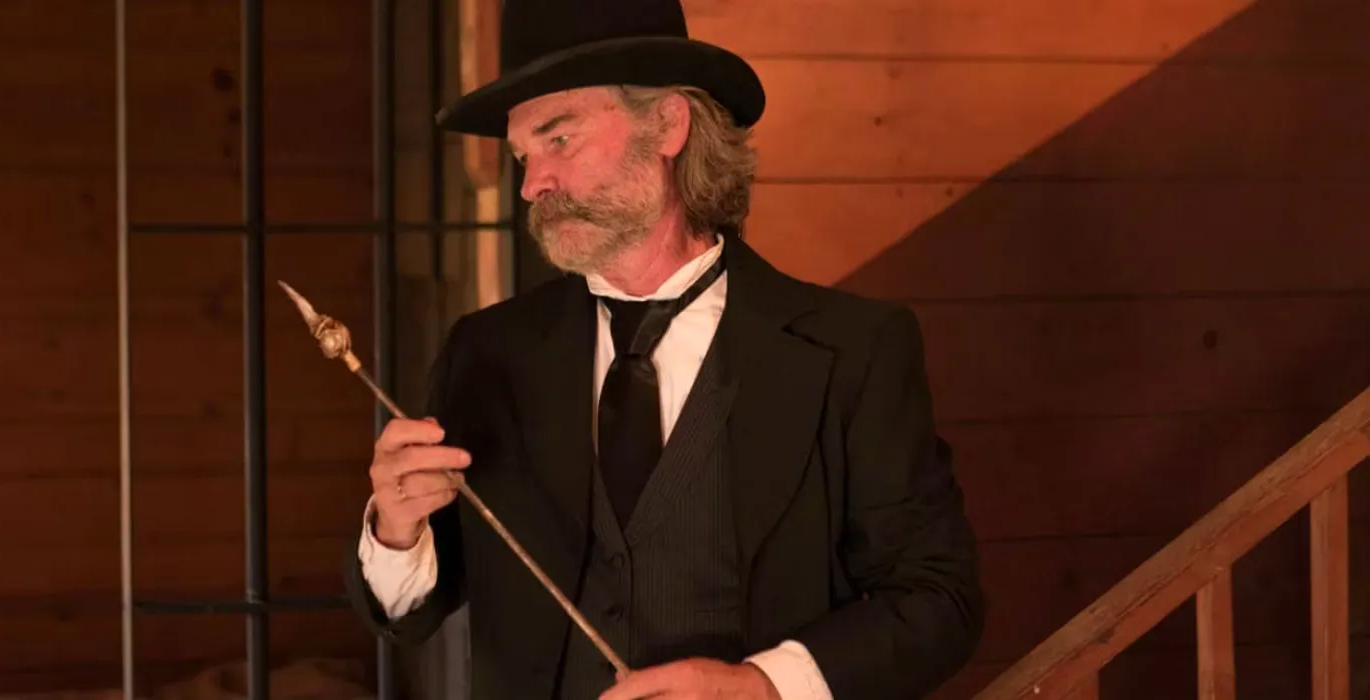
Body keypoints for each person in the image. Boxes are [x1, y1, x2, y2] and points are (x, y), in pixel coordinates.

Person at [343, 0, 985, 697]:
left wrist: (764, 686)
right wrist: (397, 531)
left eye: (558, 140)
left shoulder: (855, 349)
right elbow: (414, 611)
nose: (532, 185)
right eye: (522, 156)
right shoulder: (487, 351)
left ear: (669, 124)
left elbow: (938, 602)